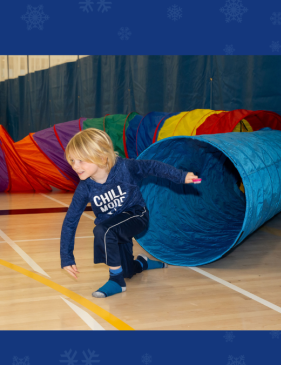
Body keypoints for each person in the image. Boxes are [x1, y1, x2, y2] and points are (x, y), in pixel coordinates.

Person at [59, 128, 199, 298]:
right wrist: (66, 257)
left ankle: (116, 281)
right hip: (115, 227)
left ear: (102, 157)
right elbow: (70, 221)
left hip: (136, 215)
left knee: (102, 230)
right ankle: (142, 263)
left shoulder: (124, 167)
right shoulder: (85, 188)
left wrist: (181, 176)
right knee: (127, 270)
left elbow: (152, 167)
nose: (75, 166)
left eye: (81, 160)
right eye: (72, 160)